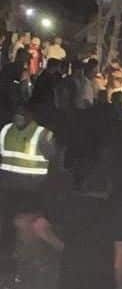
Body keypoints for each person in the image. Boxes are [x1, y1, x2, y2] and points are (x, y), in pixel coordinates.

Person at [52, 165, 122, 289]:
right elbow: (119, 258)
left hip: (71, 280)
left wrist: (63, 247)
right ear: (108, 189)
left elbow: (41, 227)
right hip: (102, 281)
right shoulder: (116, 213)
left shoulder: (70, 207)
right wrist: (119, 288)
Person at [0, 105, 63, 269]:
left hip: (33, 189)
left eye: (23, 113)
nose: (18, 116)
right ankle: (14, 258)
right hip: (9, 188)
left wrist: (50, 189)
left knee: (27, 225)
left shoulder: (42, 134)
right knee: (11, 224)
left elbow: (54, 161)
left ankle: (34, 258)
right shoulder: (6, 130)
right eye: (16, 113)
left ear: (31, 115)